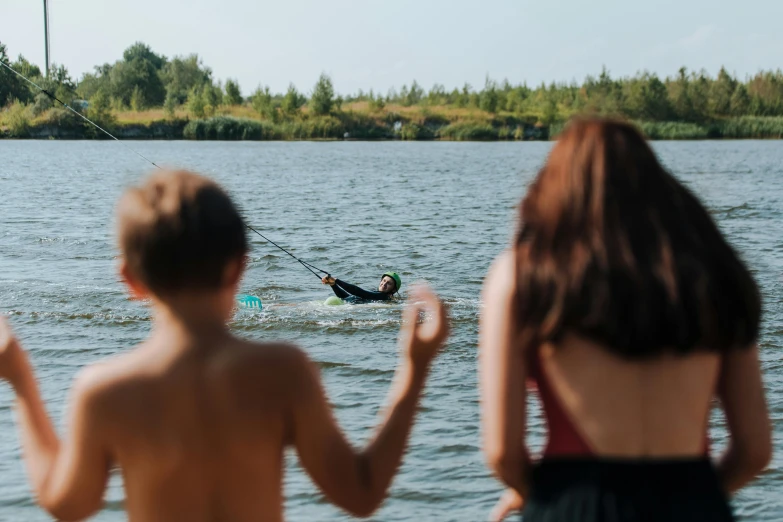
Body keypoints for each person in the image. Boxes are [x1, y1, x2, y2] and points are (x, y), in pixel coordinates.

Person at [0, 170, 449, 522]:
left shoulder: (102, 391)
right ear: (239, 269)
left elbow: (65, 505)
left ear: (130, 281)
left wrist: (19, 376)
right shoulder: (284, 373)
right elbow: (363, 492)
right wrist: (415, 369)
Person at [479, 118, 771, 522]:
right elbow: (754, 451)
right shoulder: (718, 274)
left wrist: (543, 496)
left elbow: (503, 454)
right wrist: (693, 498)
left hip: (574, 504)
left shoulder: (520, 276)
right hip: (694, 504)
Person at [322, 272, 401, 302]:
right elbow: (346, 297)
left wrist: (337, 281)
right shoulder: (374, 293)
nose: (384, 284)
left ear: (393, 290)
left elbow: (360, 292)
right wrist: (333, 285)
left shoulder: (383, 297)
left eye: (389, 283)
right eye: (383, 281)